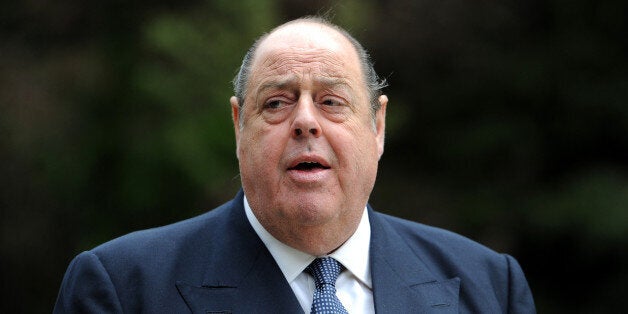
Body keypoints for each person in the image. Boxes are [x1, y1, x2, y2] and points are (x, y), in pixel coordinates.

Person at [54, 16, 535, 313]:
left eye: (331, 101)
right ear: (239, 126)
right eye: (277, 103)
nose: (306, 122)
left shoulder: (490, 286)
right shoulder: (122, 290)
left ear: (378, 126)